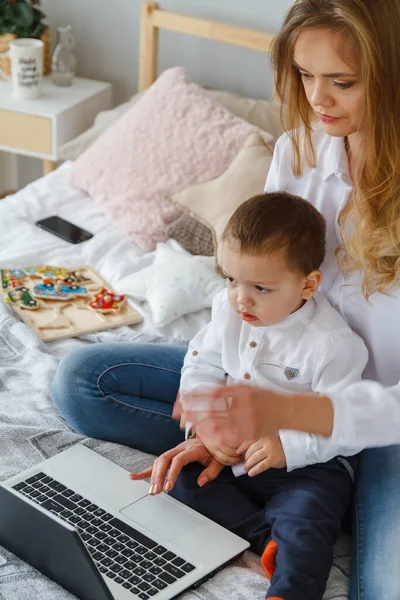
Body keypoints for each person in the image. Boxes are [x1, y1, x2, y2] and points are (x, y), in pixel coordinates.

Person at [50, 0, 400, 597]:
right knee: (82, 379)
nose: (318, 99)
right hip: (273, 381)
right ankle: (286, 513)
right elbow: (247, 286)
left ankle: (325, 493)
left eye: (342, 82)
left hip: (379, 419)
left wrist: (302, 439)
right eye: (304, 76)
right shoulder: (298, 153)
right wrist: (212, 425)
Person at [137, 191, 368, 600]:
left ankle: (289, 586)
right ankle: (265, 540)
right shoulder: (228, 310)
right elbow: (201, 366)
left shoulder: (332, 344)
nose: (241, 298)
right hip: (237, 453)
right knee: (182, 480)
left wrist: (287, 447)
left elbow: (345, 423)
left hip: (309, 465)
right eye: (231, 279)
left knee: (306, 517)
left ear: (308, 285)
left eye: (260, 287)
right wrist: (206, 428)